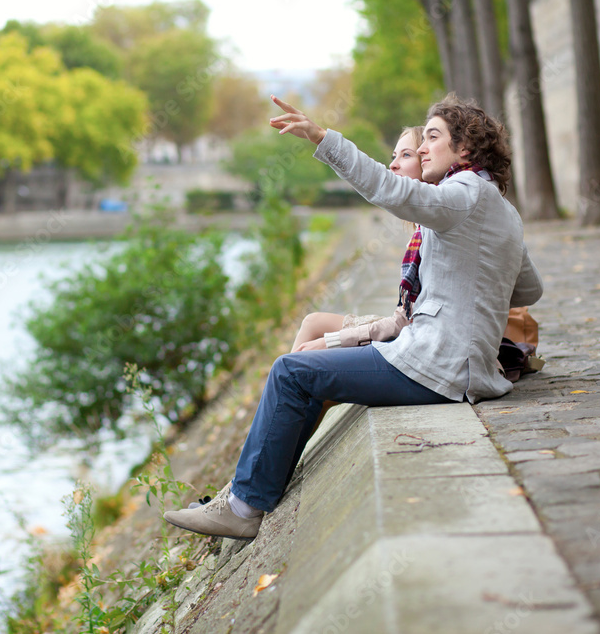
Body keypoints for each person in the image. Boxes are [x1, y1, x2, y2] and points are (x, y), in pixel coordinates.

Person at [164, 93, 543, 540]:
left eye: (433, 138)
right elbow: (529, 289)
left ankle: (243, 507)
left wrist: (324, 138)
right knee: (304, 375)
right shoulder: (502, 208)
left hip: (438, 365)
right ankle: (246, 492)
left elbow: (390, 189)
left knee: (291, 371)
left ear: (465, 150)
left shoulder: (463, 193)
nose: (422, 149)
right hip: (452, 363)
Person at [290, 126, 423, 353]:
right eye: (394, 156)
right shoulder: (421, 225)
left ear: (427, 161)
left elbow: (404, 323)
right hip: (407, 326)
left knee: (307, 351)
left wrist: (333, 340)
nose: (393, 164)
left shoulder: (435, 225)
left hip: (415, 340)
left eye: (406, 155)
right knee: (312, 322)